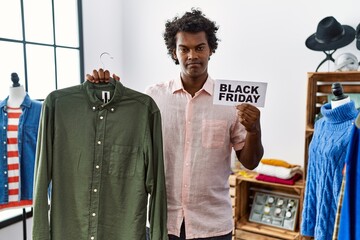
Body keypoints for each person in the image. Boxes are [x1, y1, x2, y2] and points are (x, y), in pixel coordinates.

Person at [87, 8, 263, 240]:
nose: (193, 56)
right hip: (161, 222)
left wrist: (254, 129)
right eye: (184, 49)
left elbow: (250, 162)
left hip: (213, 228)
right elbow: (125, 140)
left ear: (210, 50)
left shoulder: (231, 103)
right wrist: (108, 91)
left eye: (200, 47)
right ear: (174, 52)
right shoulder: (153, 97)